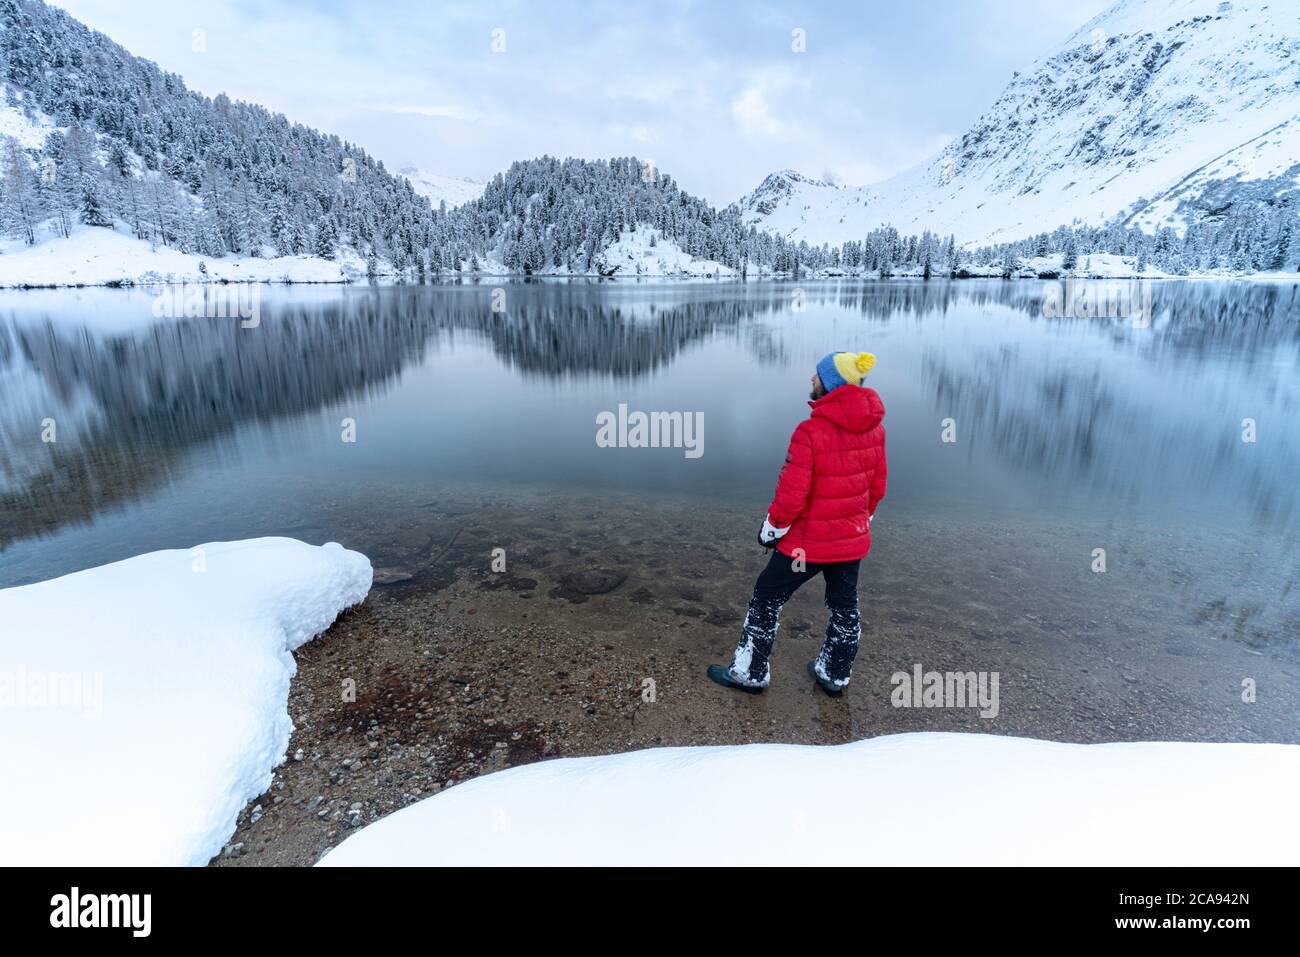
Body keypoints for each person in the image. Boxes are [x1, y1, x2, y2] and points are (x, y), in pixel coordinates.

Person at [708, 351, 886, 697]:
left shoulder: (811, 431)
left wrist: (771, 528)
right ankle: (834, 674)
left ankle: (750, 672)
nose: (811, 380)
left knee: (766, 597)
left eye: (817, 376)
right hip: (851, 540)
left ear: (831, 385)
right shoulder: (875, 430)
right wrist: (861, 522)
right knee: (844, 604)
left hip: (808, 544)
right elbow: (877, 488)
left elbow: (792, 496)